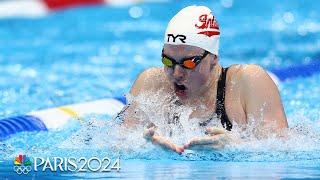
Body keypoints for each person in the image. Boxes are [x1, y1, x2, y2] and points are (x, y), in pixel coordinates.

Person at [120, 5, 288, 154]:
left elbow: (283, 149)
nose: (177, 73)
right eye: (168, 61)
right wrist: (146, 146)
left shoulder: (248, 81)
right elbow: (117, 144)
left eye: (189, 63)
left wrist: (236, 146)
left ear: (213, 57)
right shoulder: (151, 83)